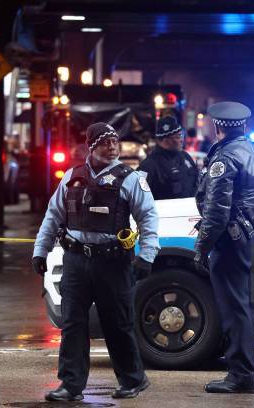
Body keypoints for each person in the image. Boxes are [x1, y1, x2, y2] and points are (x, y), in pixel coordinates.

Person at [32, 122, 159, 402]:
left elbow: (149, 219)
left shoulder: (131, 179)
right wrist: (39, 251)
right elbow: (52, 217)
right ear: (91, 146)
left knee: (117, 323)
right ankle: (71, 385)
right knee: (73, 324)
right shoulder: (71, 177)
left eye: (114, 142)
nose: (112, 147)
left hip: (113, 263)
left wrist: (146, 256)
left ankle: (133, 380)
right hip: (76, 261)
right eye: (104, 142)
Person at [194, 101, 254, 394]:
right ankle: (244, 372)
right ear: (245, 126)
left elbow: (216, 210)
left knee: (233, 309)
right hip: (251, 240)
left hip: (230, 242)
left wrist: (202, 247)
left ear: (218, 127)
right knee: (245, 308)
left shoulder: (224, 158)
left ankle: (240, 375)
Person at [138, 116, 198, 200]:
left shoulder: (185, 157)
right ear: (165, 140)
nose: (182, 140)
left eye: (182, 135)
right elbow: (138, 197)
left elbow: (197, 182)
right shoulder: (148, 166)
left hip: (191, 211)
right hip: (165, 212)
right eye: (178, 137)